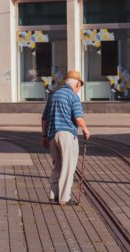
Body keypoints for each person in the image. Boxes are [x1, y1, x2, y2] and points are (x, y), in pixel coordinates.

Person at [41, 70, 90, 206]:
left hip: (52, 136)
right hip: (67, 136)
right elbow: (78, 118)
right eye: (80, 86)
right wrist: (86, 130)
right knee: (68, 167)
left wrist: (44, 136)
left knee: (57, 166)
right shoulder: (73, 97)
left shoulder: (54, 95)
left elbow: (44, 118)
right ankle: (64, 198)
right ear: (77, 84)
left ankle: (53, 195)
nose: (79, 89)